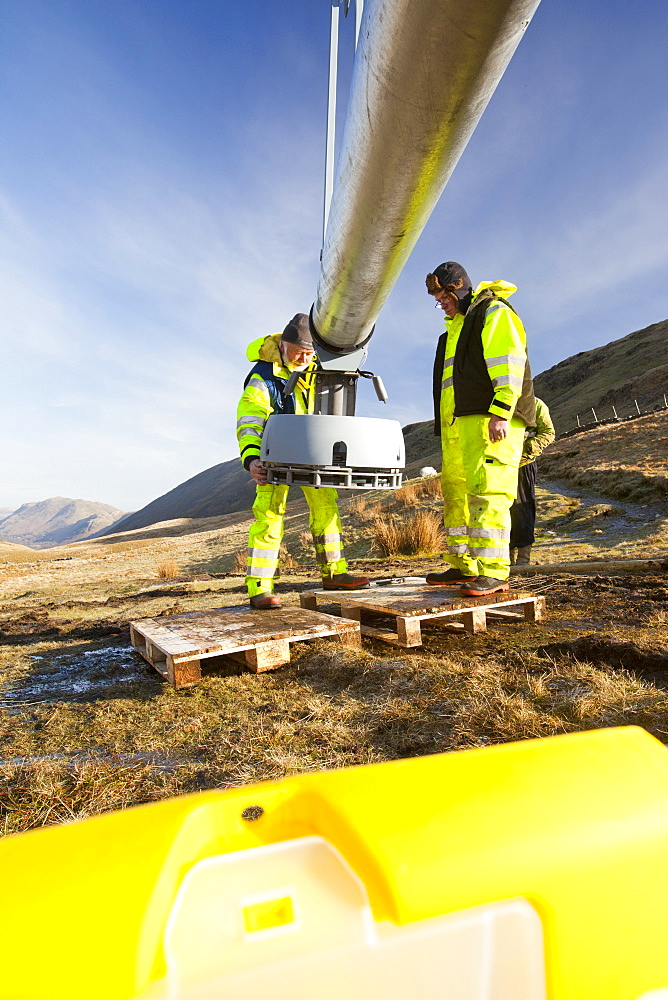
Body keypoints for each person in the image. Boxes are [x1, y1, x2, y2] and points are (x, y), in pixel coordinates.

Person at [236, 313, 369, 609]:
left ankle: (335, 573)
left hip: (313, 455)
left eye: (309, 353)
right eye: (298, 351)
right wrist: (253, 458)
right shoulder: (264, 376)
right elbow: (250, 419)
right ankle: (260, 587)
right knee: (269, 517)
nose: (304, 358)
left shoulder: (317, 369)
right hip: (275, 457)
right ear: (282, 345)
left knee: (326, 509)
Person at [424, 261, 536, 596]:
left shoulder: (492, 311)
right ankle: (463, 565)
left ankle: (495, 571)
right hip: (459, 427)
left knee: (489, 492)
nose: (441, 302)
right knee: (457, 495)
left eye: (444, 295)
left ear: (457, 287)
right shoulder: (452, 332)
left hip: (491, 419)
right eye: (438, 298)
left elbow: (509, 363)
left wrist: (501, 410)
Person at [510, 397, 555, 566]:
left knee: (522, 510)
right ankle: (504, 560)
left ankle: (523, 560)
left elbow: (548, 433)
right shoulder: (495, 399)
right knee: (500, 511)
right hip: (498, 465)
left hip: (523, 464)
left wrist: (527, 449)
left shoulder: (535, 404)